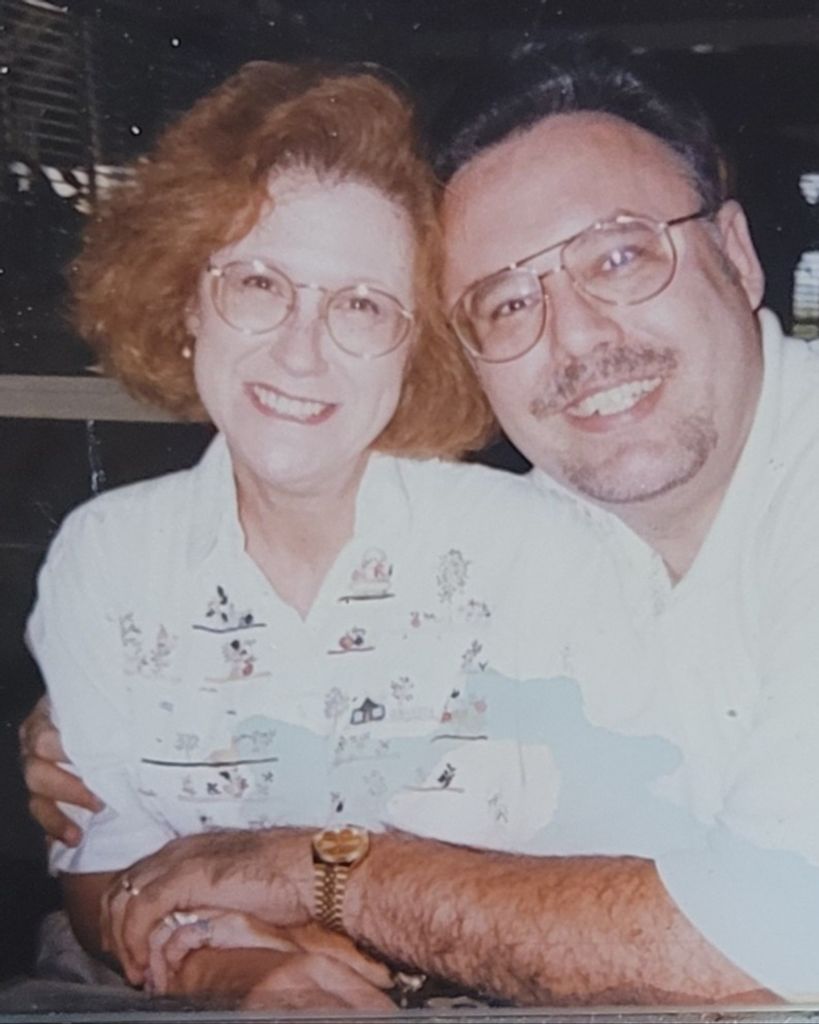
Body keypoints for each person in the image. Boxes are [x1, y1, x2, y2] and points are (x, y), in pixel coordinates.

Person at [20, 54, 662, 1010]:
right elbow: (98, 876)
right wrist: (236, 971)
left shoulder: (542, 552)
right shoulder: (106, 557)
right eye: (258, 283)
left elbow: (627, 889)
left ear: (419, 345)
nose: (300, 347)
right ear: (188, 299)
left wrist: (329, 946)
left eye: (360, 305)